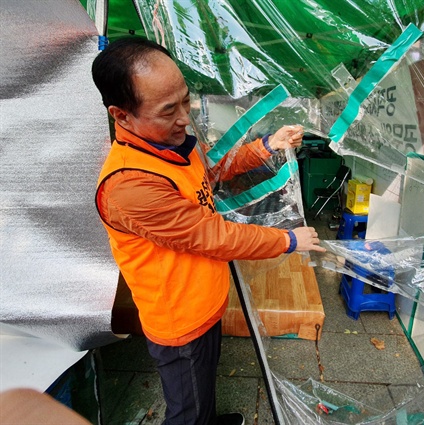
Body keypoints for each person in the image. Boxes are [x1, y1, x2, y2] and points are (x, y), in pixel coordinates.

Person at [91, 37, 326, 425]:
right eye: (169, 110)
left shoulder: (171, 142)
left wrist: (268, 145)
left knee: (203, 387)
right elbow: (213, 236)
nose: (185, 118)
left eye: (186, 100)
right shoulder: (130, 186)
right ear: (122, 115)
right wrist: (287, 239)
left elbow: (211, 172)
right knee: (188, 411)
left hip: (205, 298)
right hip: (180, 320)